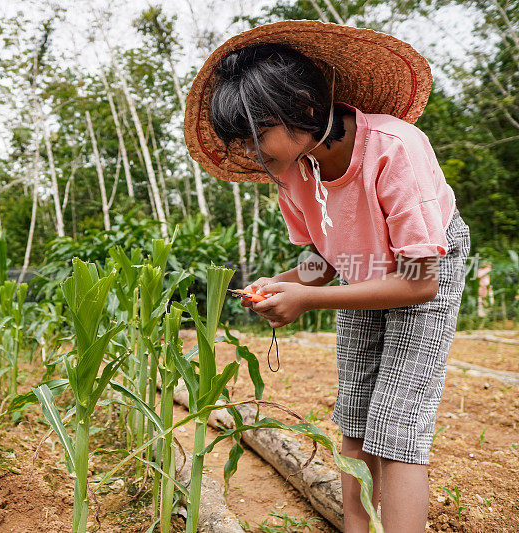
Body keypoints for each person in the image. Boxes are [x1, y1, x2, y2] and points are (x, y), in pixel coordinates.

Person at [183, 20, 471, 533]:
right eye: (240, 143)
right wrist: (283, 283)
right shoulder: (292, 173)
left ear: (304, 107)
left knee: (397, 425)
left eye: (255, 136)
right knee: (356, 418)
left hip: (425, 264)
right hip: (361, 274)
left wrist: (310, 301)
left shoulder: (394, 149)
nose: (250, 154)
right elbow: (327, 259)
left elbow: (421, 281)